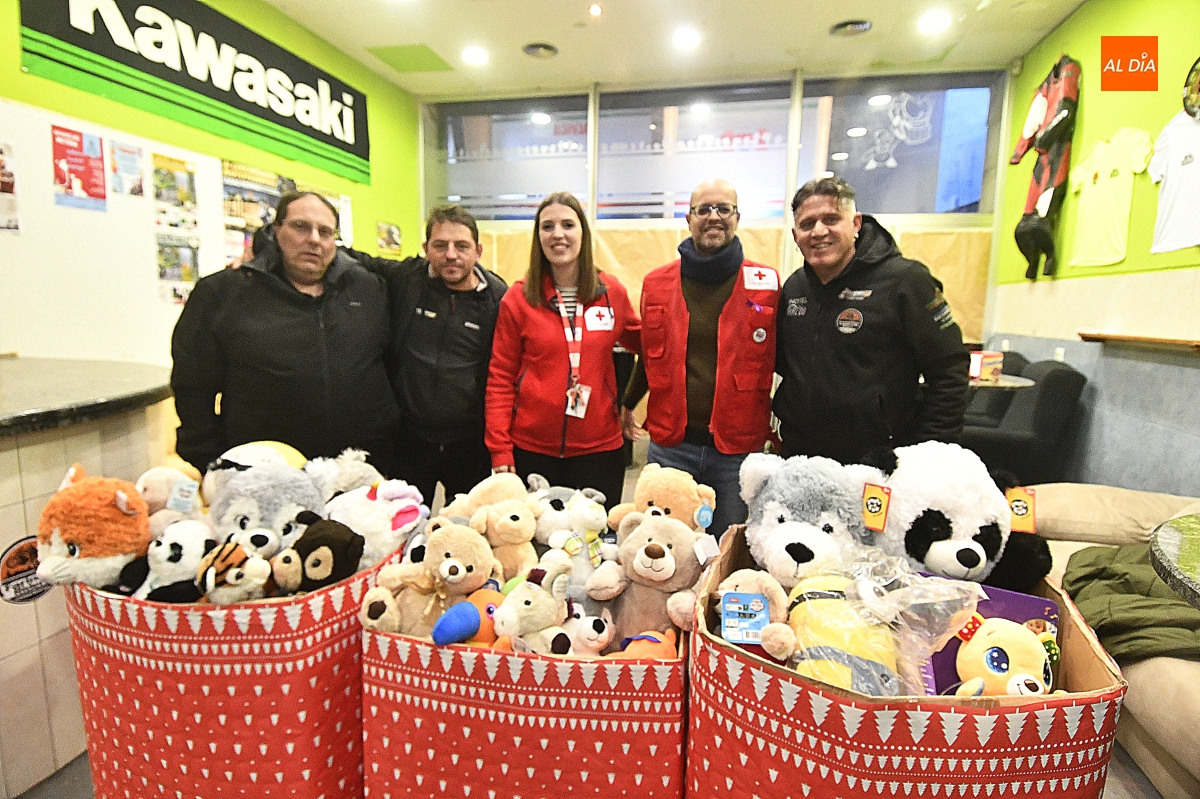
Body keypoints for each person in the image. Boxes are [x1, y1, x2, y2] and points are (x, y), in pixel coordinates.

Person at [171, 191, 400, 476]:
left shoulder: (369, 289)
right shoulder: (223, 293)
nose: (314, 239)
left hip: (359, 471)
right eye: (300, 226)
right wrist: (212, 461)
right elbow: (192, 386)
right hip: (265, 473)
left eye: (325, 232)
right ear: (276, 230)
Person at [622, 179, 780, 537]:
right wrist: (628, 402)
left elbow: (786, 356)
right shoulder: (656, 283)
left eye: (723, 209)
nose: (714, 217)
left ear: (737, 217)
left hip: (737, 449)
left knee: (729, 551)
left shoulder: (767, 283)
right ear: (689, 218)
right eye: (703, 209)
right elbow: (650, 354)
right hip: (671, 448)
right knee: (664, 549)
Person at [774, 176, 970, 465]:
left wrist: (931, 452)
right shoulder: (794, 289)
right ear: (795, 235)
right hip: (800, 456)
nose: (819, 231)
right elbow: (785, 364)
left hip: (878, 461)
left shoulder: (906, 281)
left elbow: (949, 368)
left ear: (855, 223)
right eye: (807, 224)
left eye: (831, 219)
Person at [485, 192, 640, 509]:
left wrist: (629, 400)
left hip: (600, 449)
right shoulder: (518, 299)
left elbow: (653, 350)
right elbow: (500, 378)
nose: (558, 234)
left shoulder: (612, 294)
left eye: (568, 225)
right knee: (540, 547)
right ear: (537, 236)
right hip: (532, 448)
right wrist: (500, 449)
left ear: (582, 232)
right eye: (547, 226)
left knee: (597, 547)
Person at [355, 205, 508, 506]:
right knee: (401, 526)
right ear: (426, 248)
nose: (451, 254)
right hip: (409, 441)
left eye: (461, 246)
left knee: (465, 531)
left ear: (477, 251)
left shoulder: (498, 298)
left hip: (469, 445)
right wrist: (266, 245)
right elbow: (353, 259)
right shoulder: (407, 278)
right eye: (440, 245)